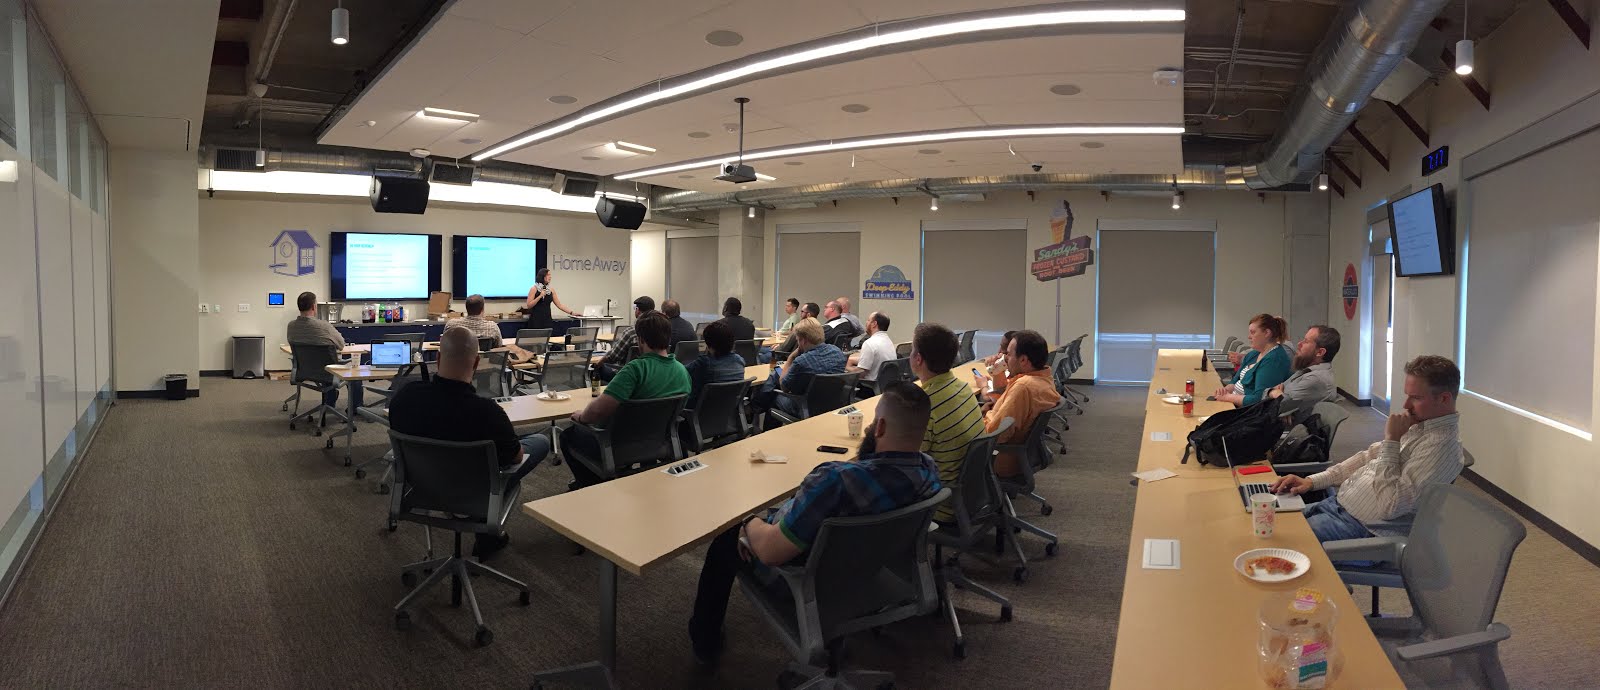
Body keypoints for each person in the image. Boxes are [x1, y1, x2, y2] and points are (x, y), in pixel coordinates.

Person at [687, 381, 942, 664]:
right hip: (869, 568)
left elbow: (771, 552)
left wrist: (747, 520)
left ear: (880, 427)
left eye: (873, 422)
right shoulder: (929, 471)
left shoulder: (835, 480)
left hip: (809, 578)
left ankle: (705, 642)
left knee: (727, 538)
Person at [387, 326, 552, 560]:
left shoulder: (405, 397)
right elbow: (516, 458)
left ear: (439, 358)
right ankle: (486, 532)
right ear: (475, 363)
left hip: (422, 488)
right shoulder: (488, 413)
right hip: (474, 491)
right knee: (539, 441)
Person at [1270, 355, 1463, 543]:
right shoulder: (1420, 426)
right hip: (1336, 506)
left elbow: (1390, 505)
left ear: (1444, 398)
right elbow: (1366, 457)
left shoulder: (1441, 447)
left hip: (1358, 529)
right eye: (1407, 396)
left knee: (1271, 537)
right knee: (1266, 518)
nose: (1406, 405)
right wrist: (1310, 481)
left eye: (1416, 398)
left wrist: (1392, 440)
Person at [563, 311, 690, 489]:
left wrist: (581, 417)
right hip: (661, 442)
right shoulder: (682, 371)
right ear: (668, 338)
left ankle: (590, 485)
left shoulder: (635, 370)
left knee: (567, 436)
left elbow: (598, 411)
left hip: (618, 445)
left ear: (641, 340)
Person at [910, 323, 985, 524]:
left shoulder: (925, 405)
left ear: (918, 359)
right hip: (969, 494)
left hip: (939, 502)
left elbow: (907, 462)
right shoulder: (963, 388)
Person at [981, 330, 1061, 477]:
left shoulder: (1023, 387)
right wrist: (998, 373)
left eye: (1008, 354)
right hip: (1022, 456)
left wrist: (983, 416)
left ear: (1023, 360)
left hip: (999, 457)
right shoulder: (1043, 378)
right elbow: (1008, 404)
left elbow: (995, 434)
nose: (1004, 358)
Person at [752, 318, 845, 420]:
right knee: (775, 376)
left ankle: (756, 408)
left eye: (797, 340)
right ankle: (756, 407)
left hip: (803, 407)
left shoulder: (801, 361)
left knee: (772, 390)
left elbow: (784, 387)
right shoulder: (837, 352)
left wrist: (791, 357)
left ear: (803, 340)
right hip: (830, 405)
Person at [680, 321, 749, 449]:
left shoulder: (704, 363)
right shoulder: (739, 361)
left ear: (708, 343)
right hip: (727, 419)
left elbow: (681, 372)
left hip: (696, 423)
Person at [1213, 313, 1292, 407]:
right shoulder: (1254, 354)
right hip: (1233, 402)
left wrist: (1227, 397)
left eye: (1253, 332)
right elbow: (1235, 380)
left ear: (1267, 333)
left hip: (1246, 410)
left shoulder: (1274, 360)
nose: (1249, 337)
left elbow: (1259, 399)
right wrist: (1224, 391)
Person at [287, 291, 346, 409]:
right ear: (314, 307)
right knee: (354, 373)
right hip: (328, 372)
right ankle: (355, 408)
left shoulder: (291, 326)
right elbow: (341, 344)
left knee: (324, 365)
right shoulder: (324, 326)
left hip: (304, 370)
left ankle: (329, 403)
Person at [1267, 325, 1341, 414]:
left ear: (1320, 352)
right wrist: (1275, 393)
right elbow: (1275, 397)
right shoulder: (1307, 370)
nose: (1299, 344)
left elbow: (1275, 406)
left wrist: (1273, 392)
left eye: (1306, 341)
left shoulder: (1315, 379)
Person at [594, 296, 655, 382]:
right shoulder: (660, 331)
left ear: (637, 310)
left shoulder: (630, 332)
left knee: (597, 369)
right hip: (652, 373)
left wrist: (599, 363)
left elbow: (613, 356)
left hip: (627, 374)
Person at [847, 312, 894, 392]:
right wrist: (852, 360)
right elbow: (876, 359)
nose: (866, 323)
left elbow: (860, 374)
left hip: (869, 388)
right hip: (884, 387)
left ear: (874, 324)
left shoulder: (869, 343)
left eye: (868, 320)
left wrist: (847, 367)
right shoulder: (888, 341)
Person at [974, 330, 1018, 402]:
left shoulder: (1019, 382)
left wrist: (983, 386)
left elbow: (992, 400)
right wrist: (995, 378)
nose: (999, 351)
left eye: (1008, 351)